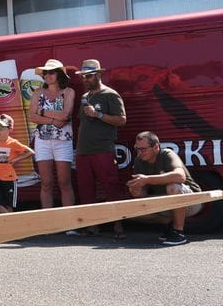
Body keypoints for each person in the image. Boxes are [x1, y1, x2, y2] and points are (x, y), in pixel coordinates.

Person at [68, 59, 128, 238]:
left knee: (110, 186)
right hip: (83, 151)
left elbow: (122, 120)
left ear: (99, 75)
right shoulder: (85, 97)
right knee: (86, 190)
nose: (85, 79)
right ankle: (92, 226)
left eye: (89, 76)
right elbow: (82, 124)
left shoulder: (111, 94)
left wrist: (98, 114)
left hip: (103, 148)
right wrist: (77, 148)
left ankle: (118, 226)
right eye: (83, 76)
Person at [127, 131, 201, 246]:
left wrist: (146, 179)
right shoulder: (138, 161)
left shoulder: (167, 154)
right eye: (137, 149)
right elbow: (143, 193)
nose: (139, 152)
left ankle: (178, 232)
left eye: (143, 149)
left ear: (156, 146)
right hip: (165, 200)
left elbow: (180, 176)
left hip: (191, 201)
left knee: (173, 186)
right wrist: (136, 191)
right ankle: (169, 225)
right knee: (132, 210)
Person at [27, 58, 75, 209]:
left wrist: (42, 112)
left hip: (63, 141)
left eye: (51, 72)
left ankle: (70, 224)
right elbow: (32, 116)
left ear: (59, 74)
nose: (48, 75)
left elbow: (66, 115)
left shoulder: (68, 92)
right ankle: (48, 223)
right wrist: (54, 121)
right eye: (45, 73)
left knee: (65, 182)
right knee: (46, 183)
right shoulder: (38, 92)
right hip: (42, 141)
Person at [0, 115, 34, 214]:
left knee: (9, 206)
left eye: (1, 128)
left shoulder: (13, 143)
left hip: (9, 179)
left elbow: (31, 152)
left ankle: (10, 225)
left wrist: (16, 160)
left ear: (10, 129)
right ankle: (13, 222)